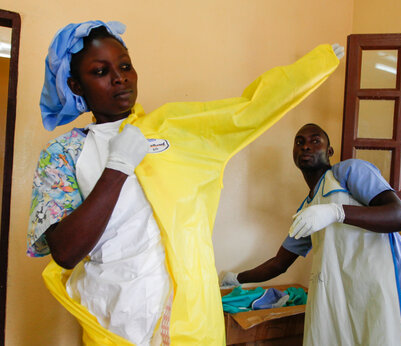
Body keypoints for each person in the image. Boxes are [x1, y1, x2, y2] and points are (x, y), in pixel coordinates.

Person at [27, 20, 344, 345]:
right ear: (76, 86)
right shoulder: (63, 155)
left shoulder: (174, 130)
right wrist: (117, 167)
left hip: (188, 319)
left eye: (125, 66)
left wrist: (312, 68)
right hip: (112, 319)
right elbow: (64, 251)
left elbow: (248, 111)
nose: (119, 77)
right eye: (100, 71)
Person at [221, 123, 401, 346]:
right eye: (299, 142)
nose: (306, 147)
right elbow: (279, 263)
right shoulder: (308, 210)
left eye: (315, 141)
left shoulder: (349, 173)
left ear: (329, 151)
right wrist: (236, 278)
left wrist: (336, 211)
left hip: (396, 289)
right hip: (361, 297)